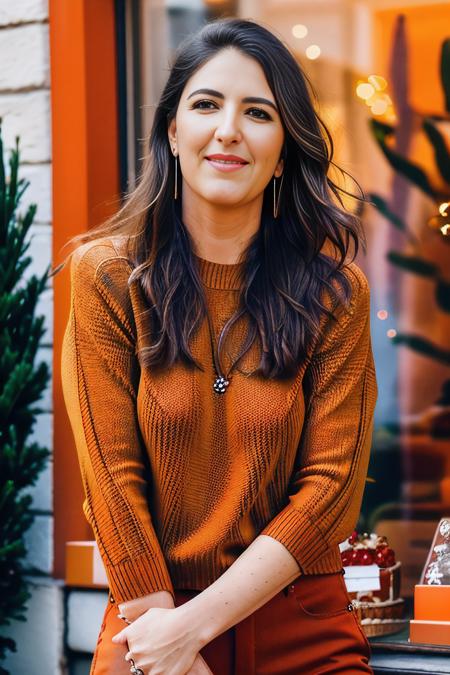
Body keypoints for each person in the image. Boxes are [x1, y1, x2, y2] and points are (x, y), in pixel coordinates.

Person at [59, 17, 378, 675]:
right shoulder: (107, 277)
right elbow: (112, 484)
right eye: (206, 104)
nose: (228, 128)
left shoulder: (335, 294)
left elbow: (330, 490)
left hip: (300, 623)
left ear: (285, 148)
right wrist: (170, 643)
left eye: (257, 112)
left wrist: (194, 628)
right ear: (173, 133)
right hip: (149, 616)